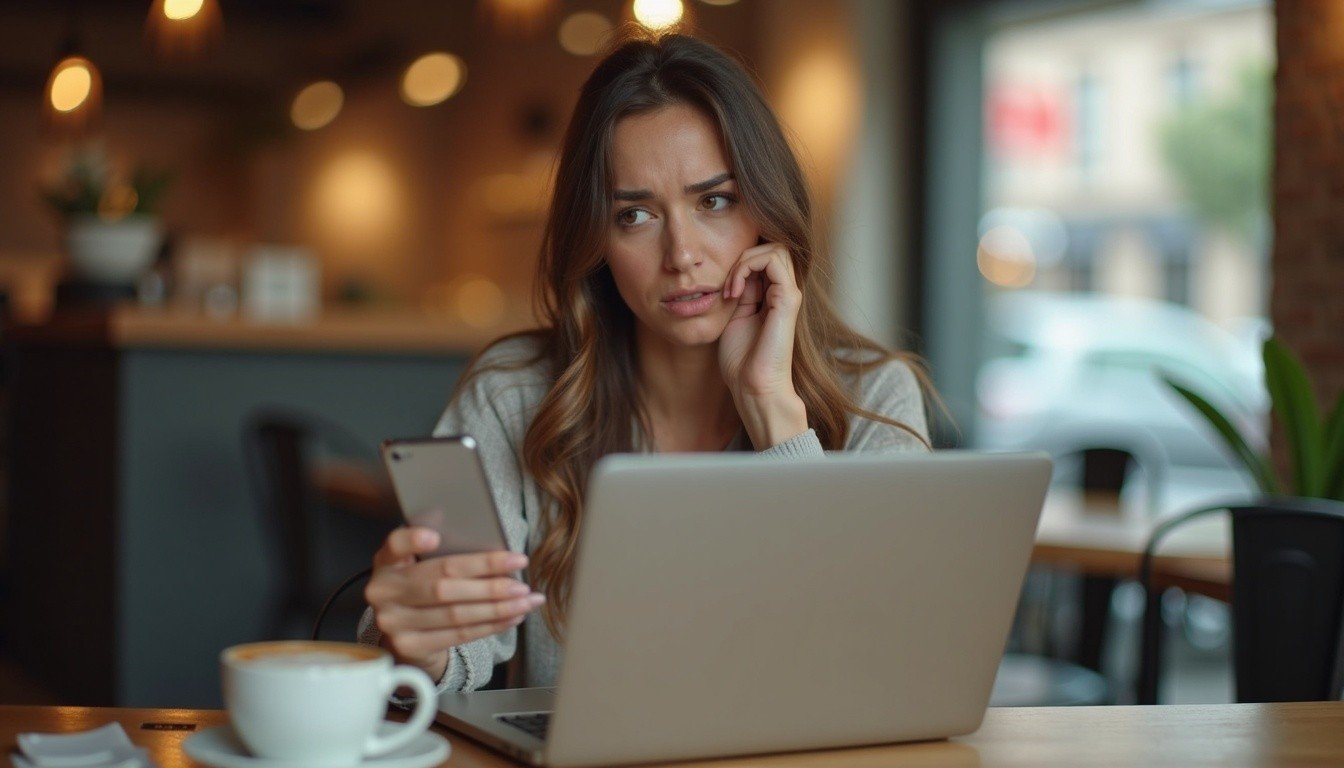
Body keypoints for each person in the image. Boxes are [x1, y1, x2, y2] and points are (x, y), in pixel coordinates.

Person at [359, 31, 933, 697]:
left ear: (767, 212)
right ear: (596, 239)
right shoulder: (514, 396)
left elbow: (873, 666)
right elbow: (449, 658)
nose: (681, 253)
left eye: (714, 200)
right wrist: (415, 646)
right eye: (634, 215)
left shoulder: (874, 397)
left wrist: (776, 415)